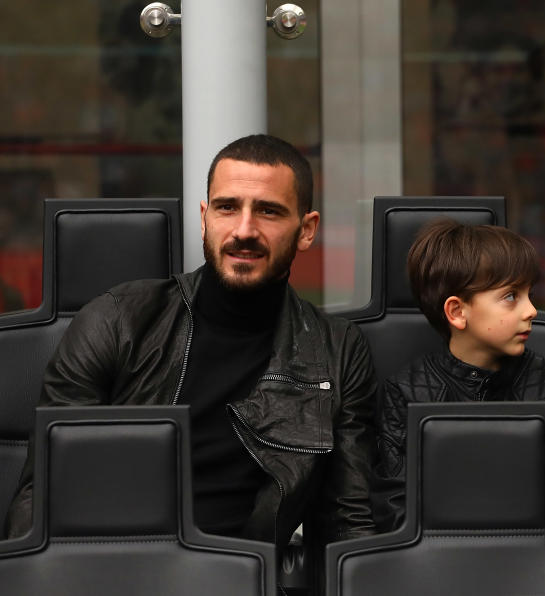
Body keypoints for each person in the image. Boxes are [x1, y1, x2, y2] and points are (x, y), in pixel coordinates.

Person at [5, 135, 378, 556]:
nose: (244, 230)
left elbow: (349, 522)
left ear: (306, 230)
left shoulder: (337, 350)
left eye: (269, 211)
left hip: (246, 577)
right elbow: (43, 494)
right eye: (227, 207)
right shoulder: (118, 320)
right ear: (205, 218)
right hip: (118, 571)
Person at [371, 219, 545, 531]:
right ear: (458, 312)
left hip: (528, 561)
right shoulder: (406, 394)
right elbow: (393, 504)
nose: (532, 310)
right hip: (436, 564)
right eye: (512, 296)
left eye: (530, 294)